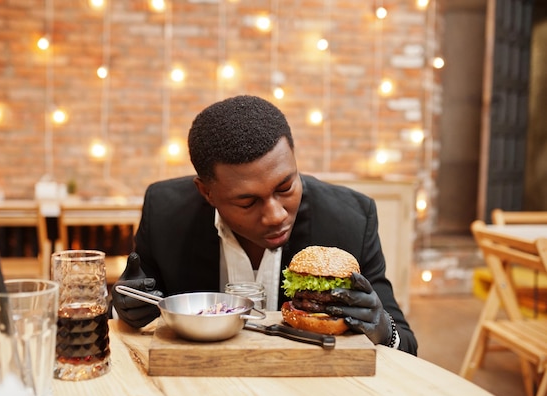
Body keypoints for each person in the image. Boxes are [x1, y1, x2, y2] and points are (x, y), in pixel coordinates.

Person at [112, 95, 418, 355]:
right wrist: (125, 307)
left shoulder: (351, 219)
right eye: (247, 202)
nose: (275, 215)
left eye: (285, 187)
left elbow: (405, 345)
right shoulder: (165, 212)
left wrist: (381, 328)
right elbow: (139, 299)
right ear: (207, 192)